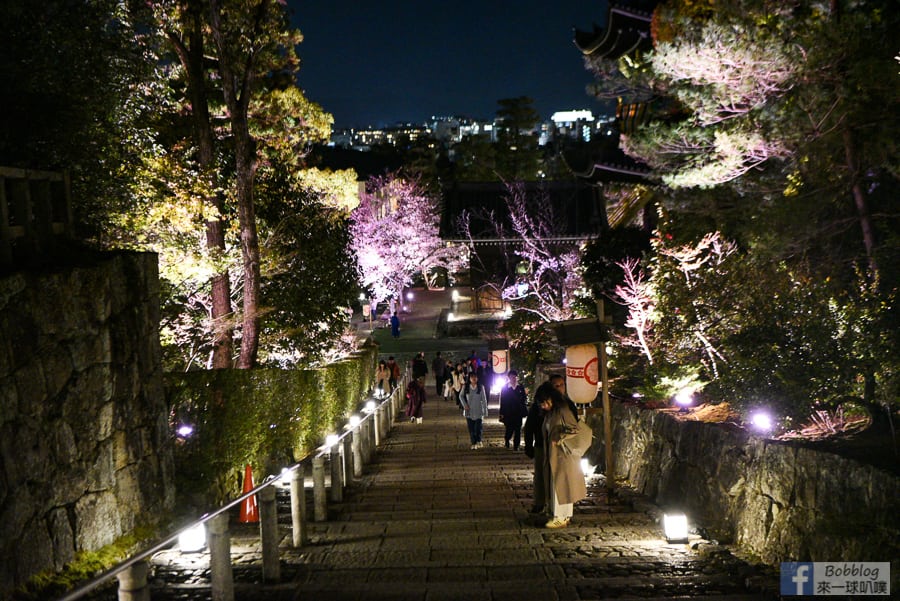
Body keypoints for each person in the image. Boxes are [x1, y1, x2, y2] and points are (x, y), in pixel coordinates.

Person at [539, 381, 587, 528]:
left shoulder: (563, 410)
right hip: (554, 455)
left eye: (544, 402)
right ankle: (557, 514)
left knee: (563, 485)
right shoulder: (551, 412)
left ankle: (562, 517)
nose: (542, 406)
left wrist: (559, 438)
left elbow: (574, 429)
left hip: (564, 454)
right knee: (556, 485)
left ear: (550, 399)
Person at [523, 387, 548, 514]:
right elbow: (529, 427)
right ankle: (539, 502)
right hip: (540, 444)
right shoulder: (536, 408)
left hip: (558, 447)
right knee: (539, 475)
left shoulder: (562, 405)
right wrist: (528, 445)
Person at [498, 370, 528, 450]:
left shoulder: (520, 387)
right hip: (508, 412)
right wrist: (502, 413)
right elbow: (502, 401)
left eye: (515, 377)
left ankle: (516, 445)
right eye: (512, 377)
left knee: (518, 429)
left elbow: (524, 398)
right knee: (509, 428)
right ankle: (507, 439)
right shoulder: (505, 388)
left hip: (518, 411)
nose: (513, 378)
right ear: (509, 377)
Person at [459, 371, 488, 449]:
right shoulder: (466, 387)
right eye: (472, 377)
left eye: (475, 377)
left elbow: (484, 399)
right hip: (469, 411)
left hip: (479, 410)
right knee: (471, 428)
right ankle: (473, 443)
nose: (474, 379)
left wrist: (485, 410)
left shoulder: (481, 387)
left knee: (478, 428)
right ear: (469, 379)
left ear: (477, 378)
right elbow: (461, 396)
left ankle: (479, 440)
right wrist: (465, 405)